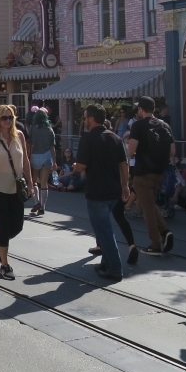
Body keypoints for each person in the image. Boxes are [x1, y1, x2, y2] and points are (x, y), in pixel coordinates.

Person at [0, 104, 34, 280]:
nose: (8, 121)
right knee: (4, 223)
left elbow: (25, 160)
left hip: (15, 186)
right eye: (4, 118)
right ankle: (4, 264)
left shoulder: (19, 136)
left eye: (10, 117)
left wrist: (31, 184)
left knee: (17, 226)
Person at [75, 104, 131, 280]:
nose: (84, 121)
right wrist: (125, 185)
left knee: (104, 232)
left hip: (96, 191)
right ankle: (105, 264)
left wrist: (75, 167)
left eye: (85, 118)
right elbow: (124, 164)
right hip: (114, 190)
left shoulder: (87, 139)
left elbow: (82, 166)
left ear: (91, 119)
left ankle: (115, 268)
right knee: (104, 229)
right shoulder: (115, 138)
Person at [127, 96, 175, 256]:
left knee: (147, 208)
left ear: (141, 109)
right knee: (150, 203)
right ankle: (165, 232)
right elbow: (172, 151)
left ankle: (155, 244)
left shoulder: (138, 125)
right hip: (159, 172)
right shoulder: (165, 125)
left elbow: (131, 151)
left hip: (142, 171)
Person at [27, 108, 55, 216]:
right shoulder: (49, 129)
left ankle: (36, 202)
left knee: (33, 180)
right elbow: (52, 147)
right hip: (47, 155)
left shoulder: (32, 129)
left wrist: (28, 157)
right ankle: (43, 207)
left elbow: (31, 145)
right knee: (44, 182)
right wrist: (55, 161)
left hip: (35, 155)